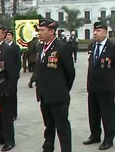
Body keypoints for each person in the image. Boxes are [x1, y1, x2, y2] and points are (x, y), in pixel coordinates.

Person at [35, 18, 75, 152]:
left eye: (42, 30)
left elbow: (70, 73)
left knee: (62, 127)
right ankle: (48, 148)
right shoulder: (41, 47)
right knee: (48, 126)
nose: (39, 33)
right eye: (39, 30)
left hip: (58, 96)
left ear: (52, 31)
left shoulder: (62, 47)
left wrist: (62, 89)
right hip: (44, 96)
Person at [83, 21, 115, 150]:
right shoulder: (92, 46)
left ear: (106, 32)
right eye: (94, 30)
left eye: (99, 30)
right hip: (93, 87)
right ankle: (95, 135)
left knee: (107, 114)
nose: (95, 33)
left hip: (106, 88)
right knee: (93, 113)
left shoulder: (114, 47)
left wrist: (110, 79)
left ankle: (108, 139)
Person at [0, 24, 19, 151]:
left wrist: (10, 89)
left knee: (6, 116)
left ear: (3, 34)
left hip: (4, 87)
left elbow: (13, 72)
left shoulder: (8, 49)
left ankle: (9, 140)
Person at [5, 29, 21, 121]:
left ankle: (14, 113)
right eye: (6, 35)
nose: (7, 37)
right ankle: (8, 112)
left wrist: (16, 73)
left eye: (9, 35)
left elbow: (18, 62)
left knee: (13, 94)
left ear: (12, 37)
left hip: (13, 74)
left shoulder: (15, 47)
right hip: (5, 75)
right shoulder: (4, 47)